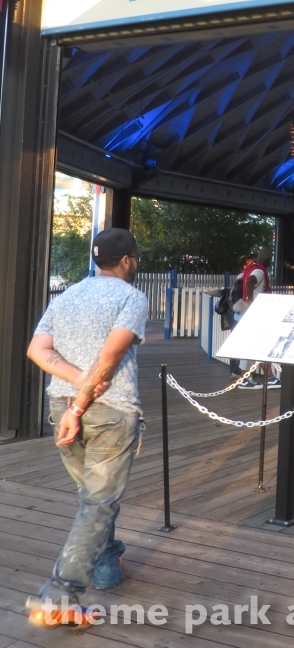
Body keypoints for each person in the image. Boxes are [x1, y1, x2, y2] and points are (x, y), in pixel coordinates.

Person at [24, 228, 149, 628]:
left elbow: (37, 350)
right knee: (98, 503)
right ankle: (59, 596)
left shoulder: (67, 296)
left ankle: (107, 567)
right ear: (127, 260)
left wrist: (76, 386)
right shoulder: (132, 297)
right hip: (105, 410)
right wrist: (82, 402)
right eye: (136, 258)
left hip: (59, 404)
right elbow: (111, 357)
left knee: (94, 497)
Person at [238, 247, 281, 389]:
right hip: (254, 313)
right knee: (258, 345)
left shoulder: (253, 268)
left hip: (249, 313)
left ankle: (247, 378)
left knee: (252, 346)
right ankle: (267, 377)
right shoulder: (260, 271)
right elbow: (250, 281)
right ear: (269, 259)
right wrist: (251, 301)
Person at [227, 254, 255, 379]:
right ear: (244, 266)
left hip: (237, 315)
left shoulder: (240, 278)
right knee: (241, 345)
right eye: (250, 263)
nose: (253, 266)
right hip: (242, 314)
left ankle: (234, 371)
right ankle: (238, 371)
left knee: (235, 344)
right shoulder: (245, 278)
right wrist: (247, 301)